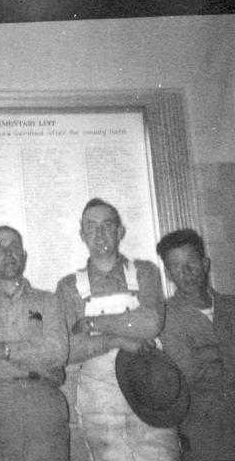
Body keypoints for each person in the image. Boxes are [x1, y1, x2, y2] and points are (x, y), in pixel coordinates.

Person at [56, 197, 179, 461]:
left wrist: (93, 324)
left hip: (152, 389)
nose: (99, 234)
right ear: (82, 235)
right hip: (101, 402)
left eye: (107, 225)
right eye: (91, 227)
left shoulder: (145, 272)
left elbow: (151, 323)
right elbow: (69, 349)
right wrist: (119, 339)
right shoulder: (69, 286)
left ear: (120, 231)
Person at [0, 225, 69, 461]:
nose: (8, 253)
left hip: (43, 410)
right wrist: (39, 363)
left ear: (24, 256)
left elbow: (58, 353)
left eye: (14, 247)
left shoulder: (49, 301)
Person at [157, 228, 235, 461]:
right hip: (203, 428)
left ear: (205, 263)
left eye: (191, 262)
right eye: (176, 266)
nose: (186, 272)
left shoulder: (230, 307)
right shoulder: (166, 317)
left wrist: (213, 355)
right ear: (169, 274)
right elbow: (189, 373)